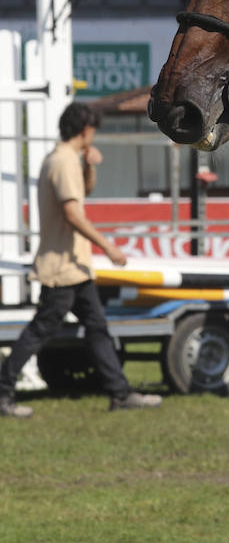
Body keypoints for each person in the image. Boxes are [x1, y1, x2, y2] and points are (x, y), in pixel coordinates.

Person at [0, 103, 163, 417]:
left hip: (75, 267)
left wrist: (90, 165)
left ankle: (120, 393)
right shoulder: (62, 162)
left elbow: (82, 192)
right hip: (63, 268)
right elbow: (73, 213)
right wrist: (109, 247)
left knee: (97, 328)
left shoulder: (64, 158)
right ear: (86, 130)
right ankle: (4, 392)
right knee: (39, 331)